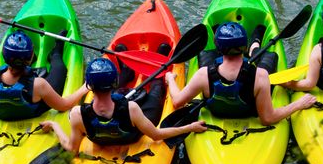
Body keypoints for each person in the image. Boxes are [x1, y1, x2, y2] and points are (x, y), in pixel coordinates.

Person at [41, 58, 207, 153]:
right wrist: (190, 127)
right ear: (113, 83)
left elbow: (71, 149)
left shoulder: (77, 114)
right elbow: (156, 135)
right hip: (131, 132)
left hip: (105, 136)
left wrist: (55, 125)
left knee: (124, 97)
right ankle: (157, 75)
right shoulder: (132, 108)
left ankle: (127, 72)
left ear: (89, 86)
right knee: (153, 97)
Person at [166, 22, 316, 126]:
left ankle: (223, 34)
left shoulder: (202, 74)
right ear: (242, 47)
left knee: (205, 55)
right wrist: (298, 104)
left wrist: (170, 79)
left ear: (219, 47)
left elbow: (178, 101)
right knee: (270, 57)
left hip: (216, 112)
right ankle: (254, 46)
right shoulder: (261, 76)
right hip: (247, 112)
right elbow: (268, 118)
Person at [0, 31, 88, 120]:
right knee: (59, 68)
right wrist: (84, 88)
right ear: (30, 57)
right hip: (33, 110)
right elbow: (64, 105)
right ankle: (56, 51)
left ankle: (34, 50)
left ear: (4, 55)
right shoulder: (39, 85)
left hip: (6, 113)